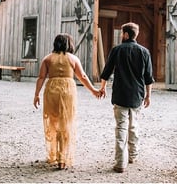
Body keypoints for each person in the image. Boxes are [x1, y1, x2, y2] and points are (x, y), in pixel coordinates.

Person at [33, 33, 101, 169]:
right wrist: (93, 90)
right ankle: (62, 159)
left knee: (53, 123)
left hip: (51, 91)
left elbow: (41, 78)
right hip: (67, 92)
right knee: (66, 123)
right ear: (69, 44)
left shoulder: (47, 59)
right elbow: (82, 76)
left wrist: (36, 95)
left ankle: (54, 155)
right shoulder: (72, 58)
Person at [99, 22, 154, 173]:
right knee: (134, 126)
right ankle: (133, 155)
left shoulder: (117, 50)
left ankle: (120, 163)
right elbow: (148, 77)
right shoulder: (144, 52)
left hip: (120, 95)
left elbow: (107, 71)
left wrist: (102, 87)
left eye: (122, 33)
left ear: (126, 34)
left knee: (121, 128)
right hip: (137, 95)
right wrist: (148, 95)